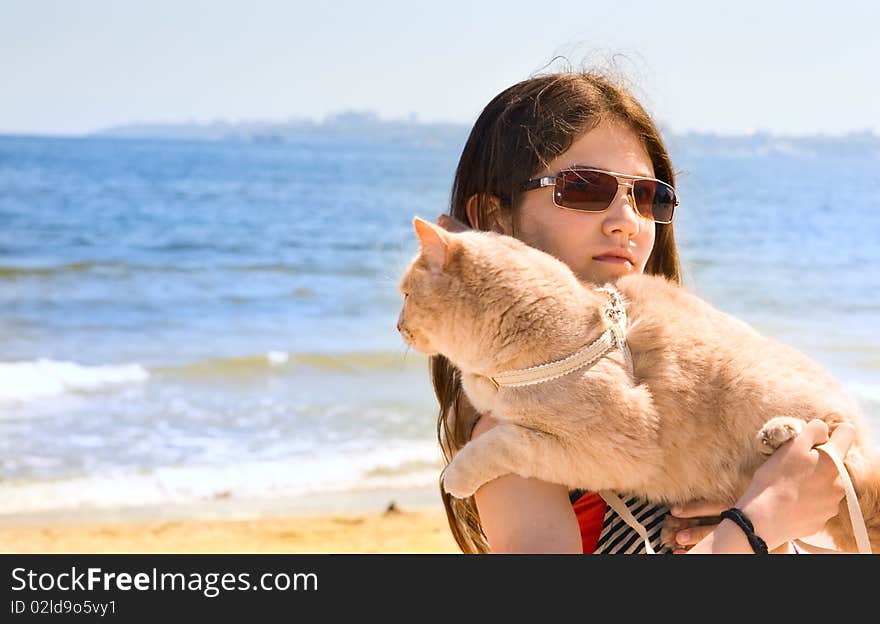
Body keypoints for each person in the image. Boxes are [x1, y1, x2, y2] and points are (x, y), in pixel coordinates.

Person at [429, 69, 854, 554]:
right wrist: (758, 522)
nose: (626, 221)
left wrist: (790, 515)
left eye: (646, 196)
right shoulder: (517, 434)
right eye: (584, 189)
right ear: (492, 218)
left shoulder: (685, 385)